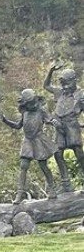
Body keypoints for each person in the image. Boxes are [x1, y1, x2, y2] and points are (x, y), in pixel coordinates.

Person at [0, 89, 58, 203]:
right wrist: (5, 120)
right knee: (23, 165)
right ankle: (20, 193)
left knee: (43, 165)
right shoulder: (25, 112)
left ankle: (52, 188)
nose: (32, 105)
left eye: (33, 102)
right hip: (28, 140)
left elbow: (49, 120)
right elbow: (18, 126)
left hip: (39, 139)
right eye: (29, 103)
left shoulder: (41, 111)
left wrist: (53, 122)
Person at [43, 64, 84, 193]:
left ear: (74, 80)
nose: (65, 86)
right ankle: (66, 183)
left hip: (72, 125)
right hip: (59, 126)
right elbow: (46, 86)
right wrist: (50, 71)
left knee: (78, 152)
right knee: (58, 152)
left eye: (67, 83)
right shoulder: (59, 92)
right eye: (63, 83)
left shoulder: (81, 94)